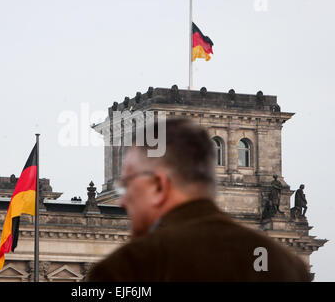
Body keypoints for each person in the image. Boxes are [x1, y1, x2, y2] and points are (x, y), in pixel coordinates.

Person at [86, 118, 310, 281]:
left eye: (129, 185)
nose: (122, 202)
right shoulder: (285, 265)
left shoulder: (123, 269)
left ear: (160, 186)